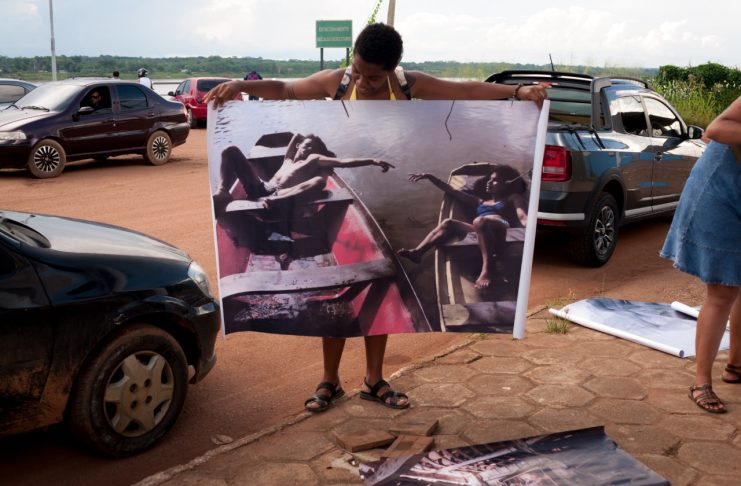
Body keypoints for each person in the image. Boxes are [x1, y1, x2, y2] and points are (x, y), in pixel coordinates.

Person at [205, 23, 549, 414]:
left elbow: (465, 91)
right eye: (359, 71)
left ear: (392, 69)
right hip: (348, 181)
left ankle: (374, 379)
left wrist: (518, 93)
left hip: (386, 184)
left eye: (373, 78)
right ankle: (329, 381)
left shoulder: (407, 85)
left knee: (383, 282)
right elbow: (286, 89)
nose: (363, 83)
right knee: (335, 304)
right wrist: (240, 85)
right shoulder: (338, 82)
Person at [660, 95, 741, 413]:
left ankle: (735, 366)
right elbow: (715, 129)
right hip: (718, 195)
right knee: (723, 290)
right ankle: (701, 383)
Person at [397, 164, 528, 289]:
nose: (489, 182)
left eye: (495, 180)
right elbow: (452, 191)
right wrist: (429, 177)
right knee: (448, 222)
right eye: (489, 179)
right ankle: (418, 252)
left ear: (506, 184)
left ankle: (486, 269)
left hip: (503, 228)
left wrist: (530, 225)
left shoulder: (512, 198)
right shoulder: (480, 202)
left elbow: (523, 216)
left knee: (480, 220)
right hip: (480, 228)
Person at [212, 132, 393, 215]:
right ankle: (223, 192)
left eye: (313, 148)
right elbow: (296, 137)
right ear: (298, 146)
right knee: (230, 150)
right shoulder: (288, 159)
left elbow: (343, 162)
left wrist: (372, 160)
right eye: (306, 145)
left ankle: (278, 202)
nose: (309, 149)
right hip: (261, 187)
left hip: (281, 195)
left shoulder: (313, 159)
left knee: (319, 182)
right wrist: (302, 138)